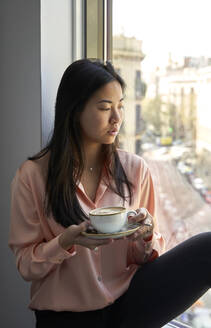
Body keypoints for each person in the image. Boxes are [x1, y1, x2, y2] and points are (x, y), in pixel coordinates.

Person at [9, 58, 211, 328]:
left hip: (129, 302)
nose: (116, 118)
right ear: (75, 110)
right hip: (66, 317)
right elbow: (25, 265)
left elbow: (143, 258)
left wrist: (146, 236)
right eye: (105, 108)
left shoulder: (135, 169)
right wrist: (64, 242)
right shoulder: (32, 176)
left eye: (120, 106)